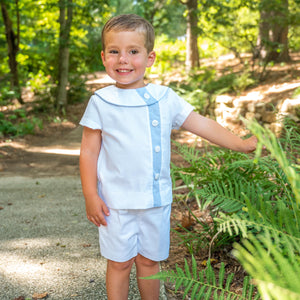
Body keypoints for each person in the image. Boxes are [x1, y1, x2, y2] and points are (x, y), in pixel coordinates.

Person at [79, 14, 257, 300]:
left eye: (133, 51)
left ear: (150, 58)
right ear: (104, 57)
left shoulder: (165, 98)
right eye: (114, 51)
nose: (123, 59)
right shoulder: (101, 101)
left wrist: (239, 144)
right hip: (115, 204)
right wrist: (90, 194)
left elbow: (200, 123)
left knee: (150, 262)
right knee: (120, 263)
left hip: (155, 201)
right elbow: (88, 151)